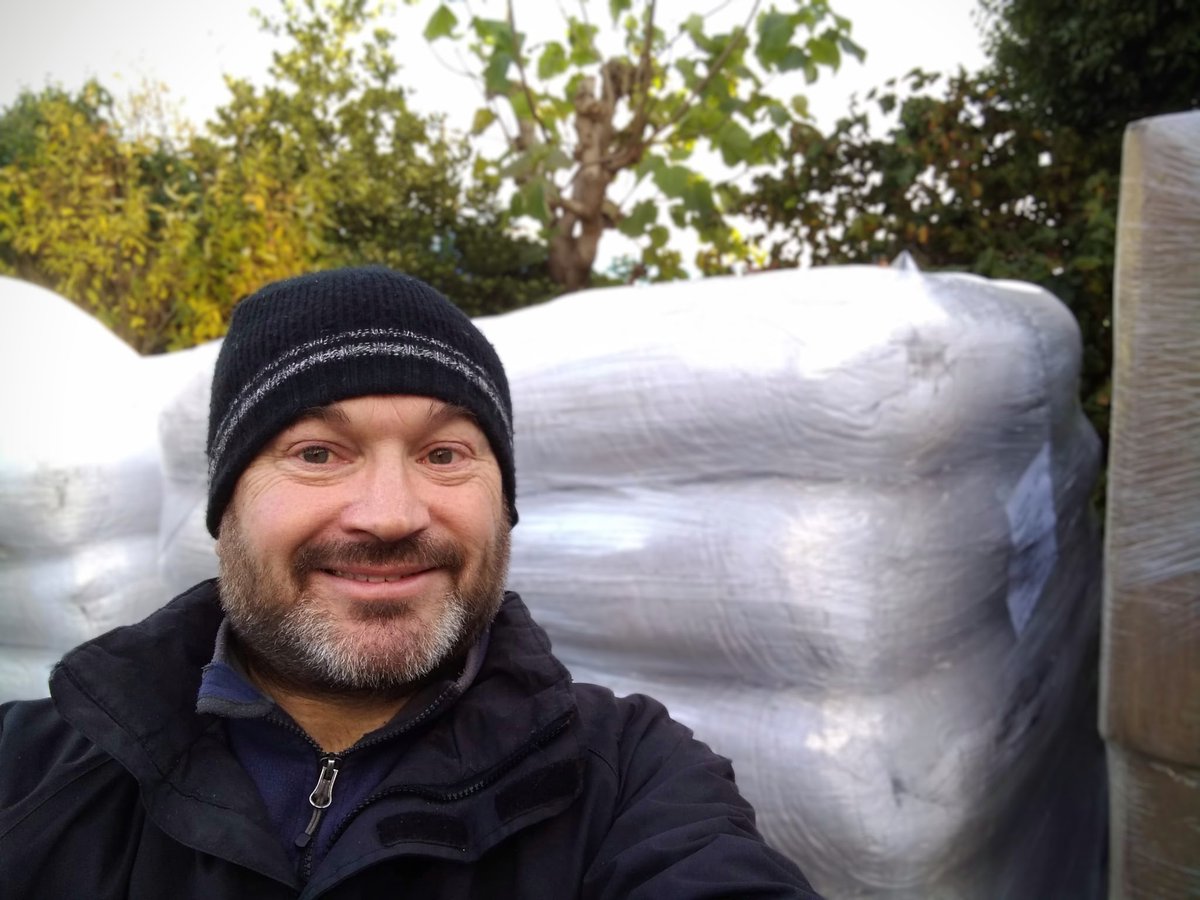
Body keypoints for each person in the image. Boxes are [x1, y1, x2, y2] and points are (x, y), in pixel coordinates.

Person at [0, 267, 820, 898]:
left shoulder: (632, 778)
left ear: (503, 504)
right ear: (227, 507)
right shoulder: (29, 770)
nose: (390, 515)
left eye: (444, 454)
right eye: (317, 453)